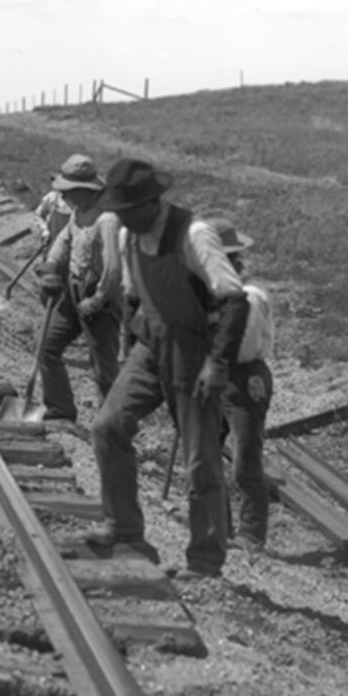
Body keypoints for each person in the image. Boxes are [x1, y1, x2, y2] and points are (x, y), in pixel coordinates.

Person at [87, 159, 250, 579]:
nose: (120, 217)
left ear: (152, 202)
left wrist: (217, 364)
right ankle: (124, 529)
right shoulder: (127, 235)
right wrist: (127, 349)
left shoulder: (193, 234)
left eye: (128, 209)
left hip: (195, 350)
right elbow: (132, 298)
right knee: (108, 425)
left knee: (201, 460)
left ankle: (205, 559)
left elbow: (234, 299)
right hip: (150, 342)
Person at [32, 155, 122, 423]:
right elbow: (63, 241)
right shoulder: (78, 213)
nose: (64, 195)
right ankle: (60, 408)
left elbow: (114, 269)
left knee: (103, 366)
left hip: (100, 299)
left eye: (69, 191)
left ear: (85, 191)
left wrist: (97, 300)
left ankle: (113, 424)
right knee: (46, 346)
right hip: (72, 291)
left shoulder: (107, 219)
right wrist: (50, 269)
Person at [211, 217, 275, 552]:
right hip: (216, 375)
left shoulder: (248, 299)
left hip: (243, 377)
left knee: (245, 464)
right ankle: (219, 525)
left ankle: (252, 535)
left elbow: (239, 348)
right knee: (206, 452)